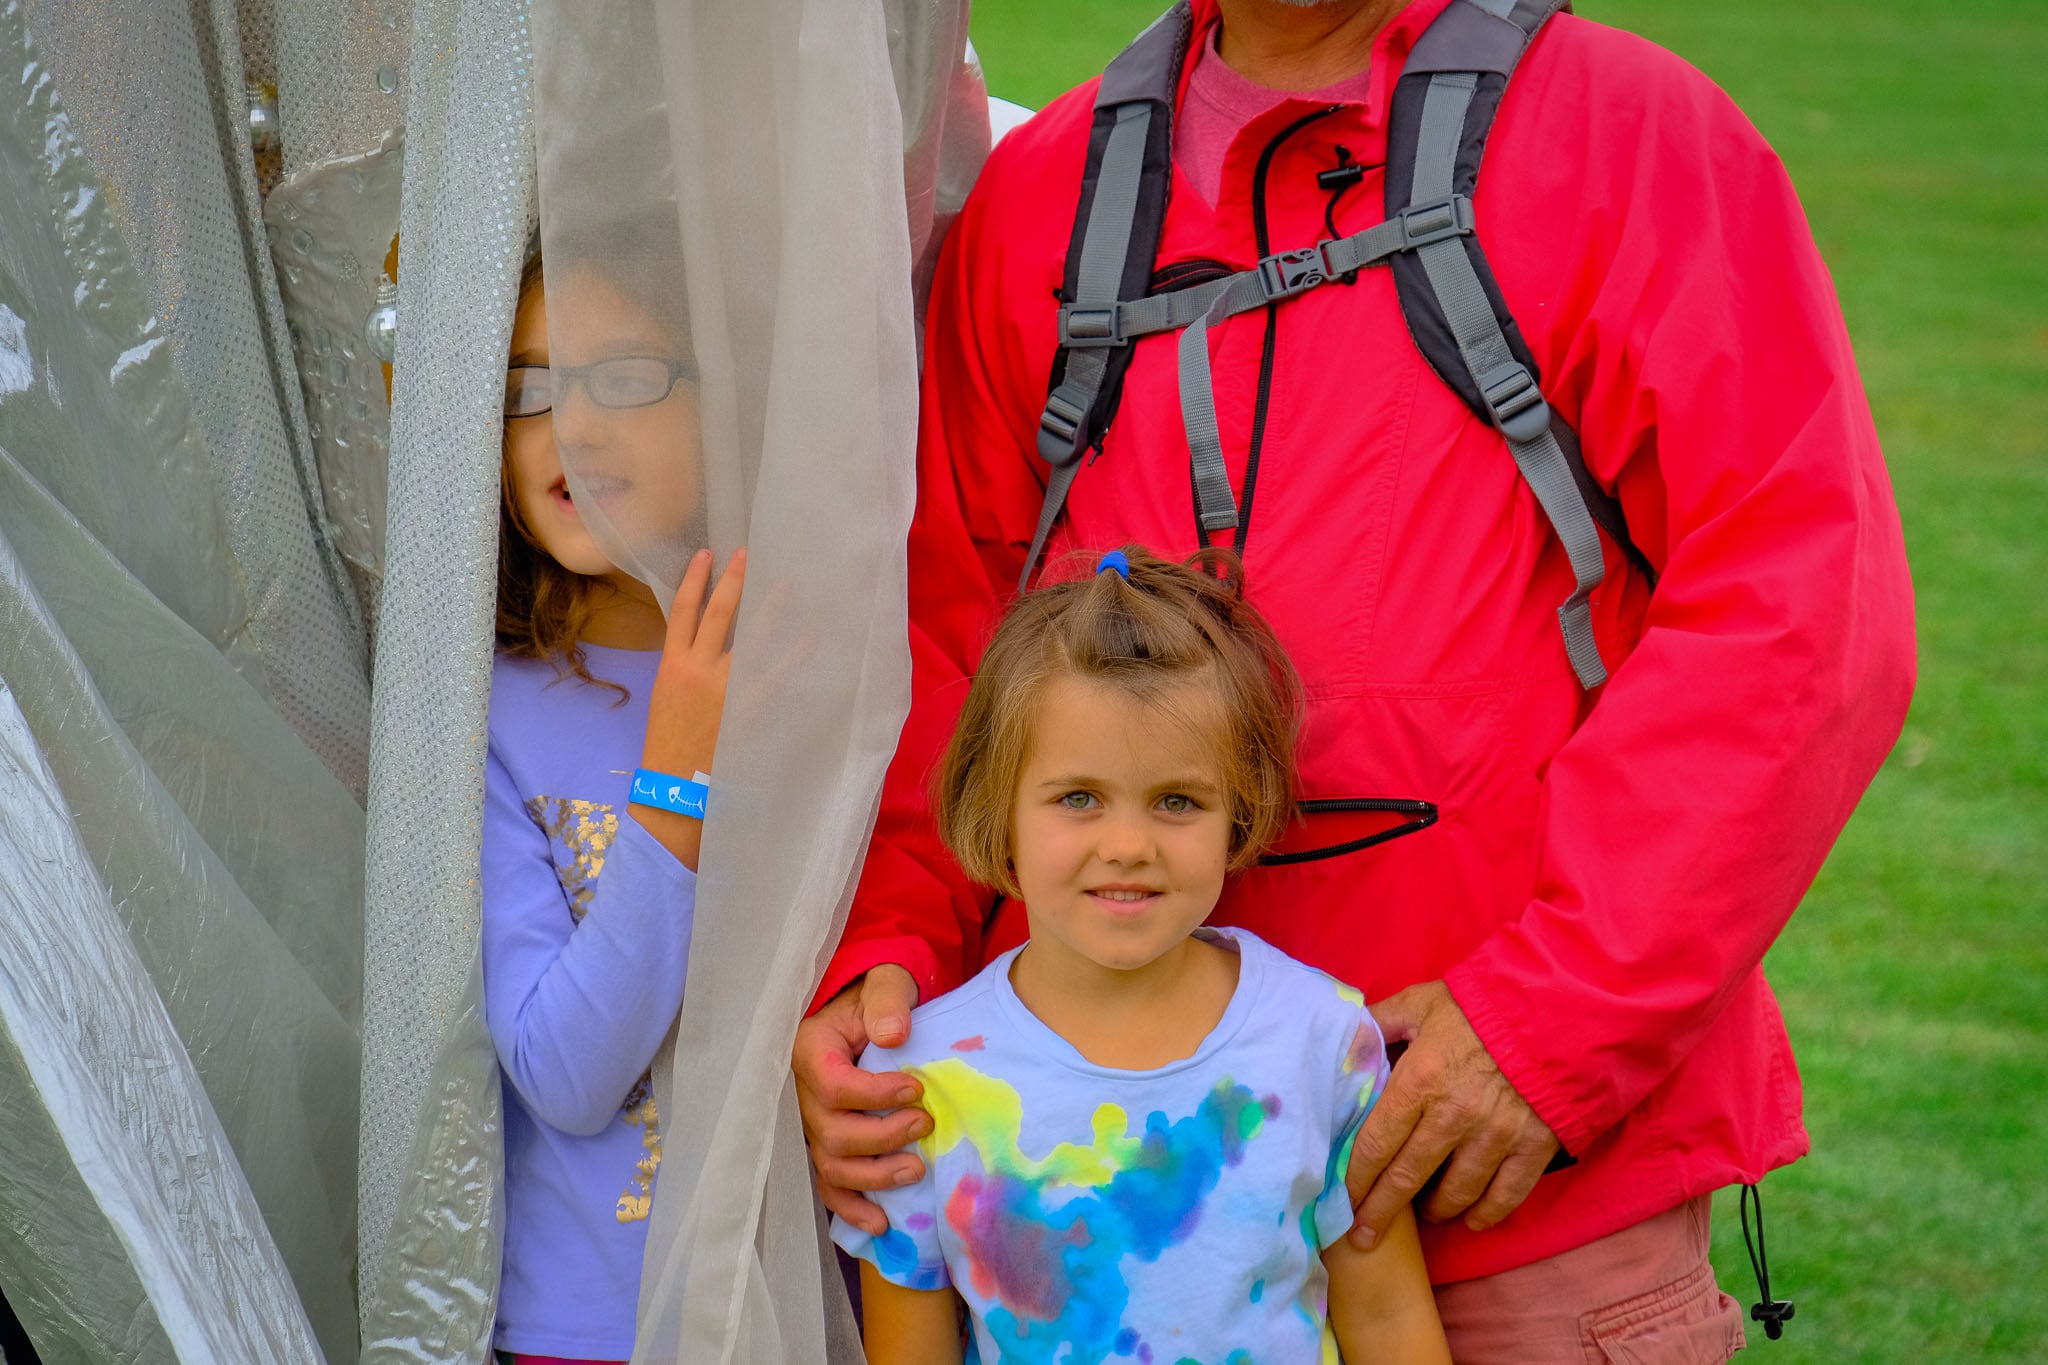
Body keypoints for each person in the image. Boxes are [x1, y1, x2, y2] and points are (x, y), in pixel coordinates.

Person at [796, 0, 1916, 1359]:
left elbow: (1796, 608)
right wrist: (886, 960)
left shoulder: (1630, 137)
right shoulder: (1042, 198)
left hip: (1505, 1199)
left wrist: (1548, 1022)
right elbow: (938, 646)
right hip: (1100, 1238)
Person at [835, 546, 1451, 1365]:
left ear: (1239, 811)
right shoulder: (919, 1079)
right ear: (997, 806)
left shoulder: (1320, 1038)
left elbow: (1388, 1319)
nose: (1128, 844)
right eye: (1079, 797)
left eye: (1177, 801)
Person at [483, 251, 744, 1364]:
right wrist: (676, 768)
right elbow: (565, 1076)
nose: (573, 427)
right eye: (529, 387)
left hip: (797, 1299)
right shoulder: (487, 713)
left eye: (624, 376)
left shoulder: (810, 672)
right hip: (586, 1331)